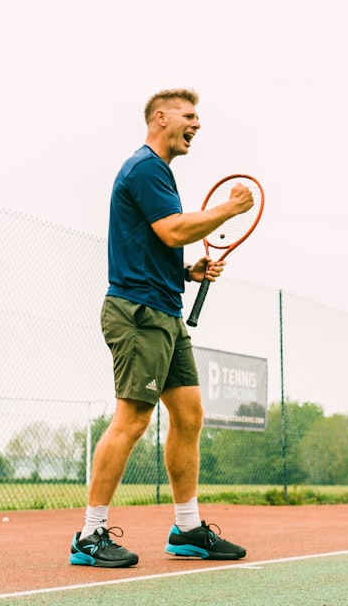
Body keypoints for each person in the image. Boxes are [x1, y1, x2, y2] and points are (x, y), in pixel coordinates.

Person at [69, 88, 254, 568]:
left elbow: (159, 243)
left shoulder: (161, 174)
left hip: (165, 309)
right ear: (160, 117)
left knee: (189, 414)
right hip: (138, 313)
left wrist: (187, 272)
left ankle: (188, 529)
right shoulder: (146, 167)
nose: (197, 125)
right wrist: (231, 210)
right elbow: (173, 230)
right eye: (190, 116)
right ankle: (89, 535)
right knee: (132, 419)